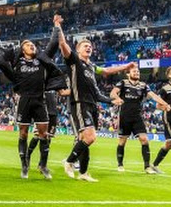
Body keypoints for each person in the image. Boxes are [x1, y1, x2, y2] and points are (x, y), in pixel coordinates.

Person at [58, 17, 135, 182]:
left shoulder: (92, 67)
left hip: (92, 105)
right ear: (78, 50)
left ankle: (84, 173)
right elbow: (63, 46)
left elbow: (107, 71)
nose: (89, 47)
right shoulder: (74, 61)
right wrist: (58, 26)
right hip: (79, 104)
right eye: (85, 46)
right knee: (90, 137)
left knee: (85, 140)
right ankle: (69, 161)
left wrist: (125, 67)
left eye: (90, 46)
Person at [0, 18, 65, 179]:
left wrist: (56, 26)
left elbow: (53, 44)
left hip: (40, 101)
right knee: (23, 134)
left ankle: (43, 166)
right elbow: (0, 54)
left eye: (33, 44)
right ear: (21, 49)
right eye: (27, 44)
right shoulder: (17, 63)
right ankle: (24, 165)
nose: (31, 45)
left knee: (43, 134)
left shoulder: (42, 60)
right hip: (24, 100)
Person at [111, 66, 168, 174]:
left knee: (144, 139)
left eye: (138, 71)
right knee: (122, 141)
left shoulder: (143, 85)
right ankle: (120, 164)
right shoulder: (123, 83)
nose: (137, 73)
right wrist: (117, 98)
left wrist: (165, 103)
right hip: (124, 116)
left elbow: (153, 96)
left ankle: (147, 167)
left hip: (137, 117)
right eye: (134, 71)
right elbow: (113, 93)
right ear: (128, 74)